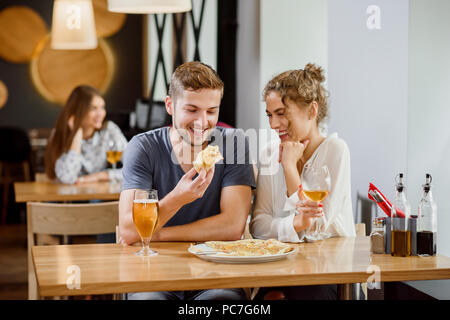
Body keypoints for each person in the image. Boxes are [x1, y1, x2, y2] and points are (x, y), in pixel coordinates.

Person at [119, 61, 256, 300]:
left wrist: (155, 234)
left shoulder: (235, 143)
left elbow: (233, 227)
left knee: (222, 301)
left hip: (215, 273)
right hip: (153, 274)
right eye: (192, 110)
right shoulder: (143, 147)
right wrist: (177, 199)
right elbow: (130, 228)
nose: (202, 122)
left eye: (212, 111)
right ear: (170, 105)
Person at [250, 63, 356, 300]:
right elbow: (258, 225)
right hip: (279, 268)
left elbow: (316, 227)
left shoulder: (336, 151)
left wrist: (289, 167)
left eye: (282, 114)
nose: (273, 125)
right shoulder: (269, 153)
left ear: (312, 110)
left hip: (328, 271)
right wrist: (293, 225)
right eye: (270, 115)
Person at [45, 85, 127, 184]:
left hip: (100, 196)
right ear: (79, 111)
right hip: (70, 198)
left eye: (102, 107)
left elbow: (137, 168)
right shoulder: (59, 134)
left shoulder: (109, 130)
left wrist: (100, 176)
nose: (100, 113)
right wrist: (77, 134)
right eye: (93, 108)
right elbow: (67, 178)